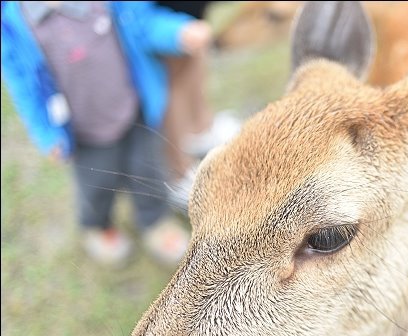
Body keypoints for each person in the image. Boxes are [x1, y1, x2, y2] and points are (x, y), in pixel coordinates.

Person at [1, 1, 208, 267]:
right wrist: (46, 135)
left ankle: (155, 220)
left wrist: (177, 32)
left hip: (134, 110)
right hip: (85, 133)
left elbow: (144, 23)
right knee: (96, 186)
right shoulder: (12, 25)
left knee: (148, 172)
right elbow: (25, 86)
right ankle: (98, 225)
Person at [154, 1, 242, 211]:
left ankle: (200, 128)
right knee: (171, 74)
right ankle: (179, 171)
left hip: (190, 11)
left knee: (195, 49)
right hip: (164, 13)